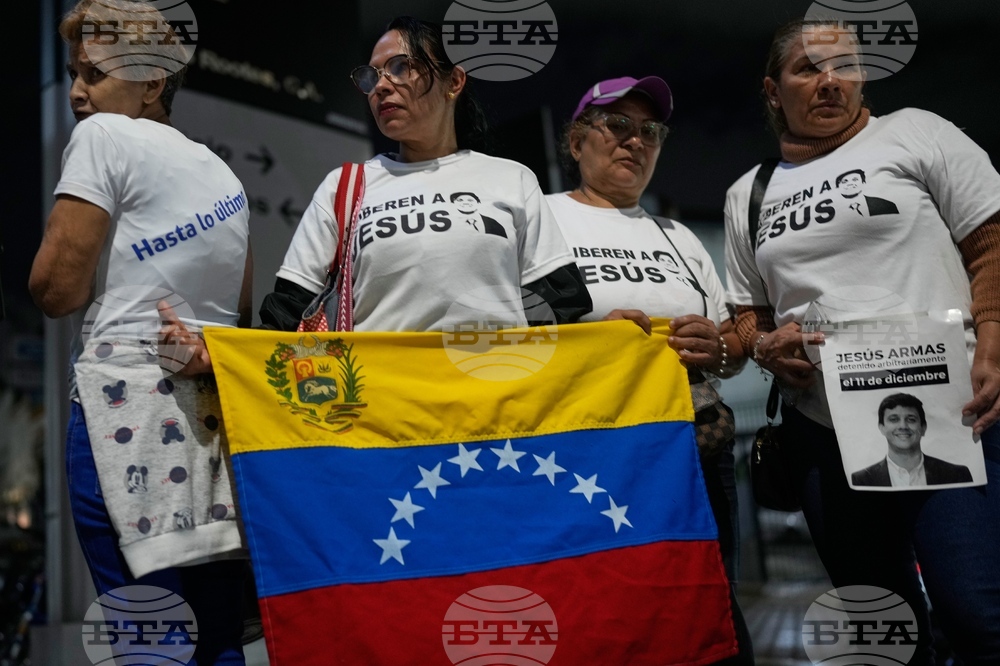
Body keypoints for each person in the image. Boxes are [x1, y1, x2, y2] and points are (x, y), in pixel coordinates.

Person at [725, 17, 1000, 665]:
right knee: (884, 627)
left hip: (948, 409)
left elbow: (989, 242)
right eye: (808, 69)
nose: (830, 82)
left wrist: (993, 335)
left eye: (845, 66)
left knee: (977, 612)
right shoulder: (751, 193)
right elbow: (747, 315)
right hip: (823, 432)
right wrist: (766, 347)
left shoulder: (915, 133)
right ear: (773, 89)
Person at [28, 1, 250, 662]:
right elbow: (234, 309)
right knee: (215, 638)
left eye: (94, 74)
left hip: (119, 410)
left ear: (152, 82)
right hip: (210, 422)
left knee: (147, 635)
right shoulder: (226, 177)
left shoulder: (103, 137)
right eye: (74, 73)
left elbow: (55, 288)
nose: (76, 92)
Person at [549, 75, 753, 665]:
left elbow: (731, 349)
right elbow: (511, 337)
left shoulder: (679, 237)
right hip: (591, 450)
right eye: (617, 126)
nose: (635, 142)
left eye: (650, 131)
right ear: (576, 140)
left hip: (694, 445)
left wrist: (716, 347)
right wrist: (592, 339)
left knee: (714, 607)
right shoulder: (539, 220)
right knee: (606, 609)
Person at [257, 16, 590, 333]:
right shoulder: (343, 187)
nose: (381, 87)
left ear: (454, 82)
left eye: (400, 67)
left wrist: (613, 335)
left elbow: (560, 308)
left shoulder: (512, 179)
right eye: (372, 77)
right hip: (379, 389)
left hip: (493, 386)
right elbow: (288, 312)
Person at [852, 393, 973, 487]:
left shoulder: (957, 474)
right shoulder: (861, 479)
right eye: (894, 419)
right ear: (881, 428)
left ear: (923, 428)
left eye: (911, 419)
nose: (903, 426)